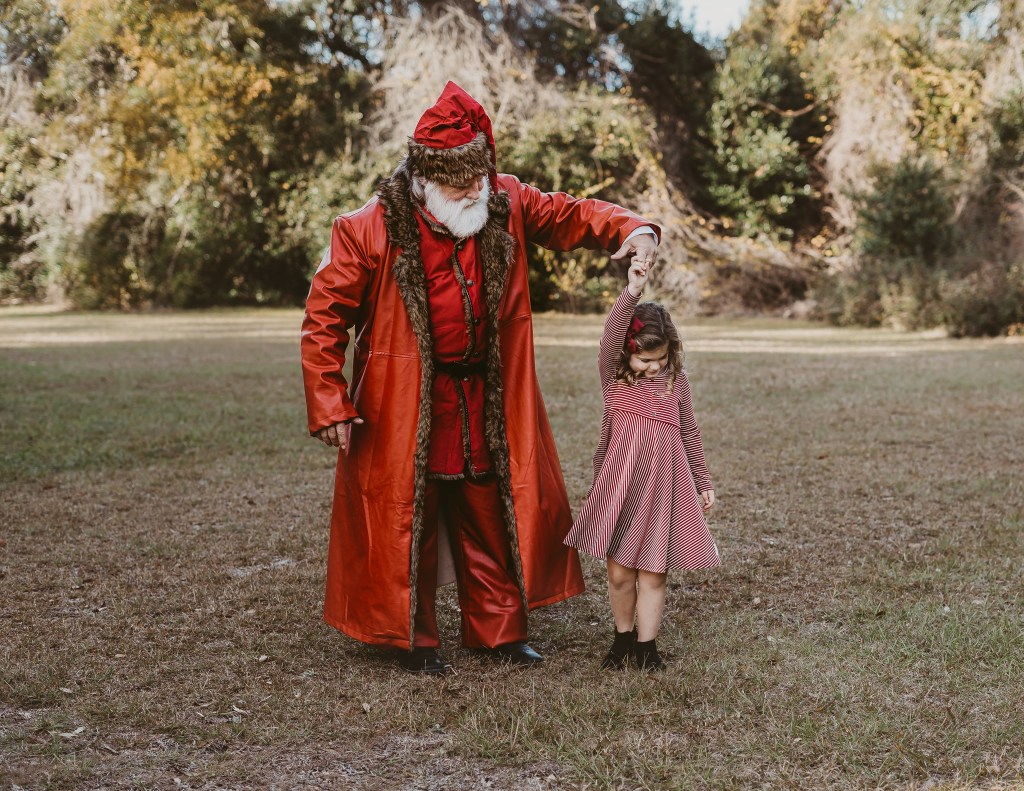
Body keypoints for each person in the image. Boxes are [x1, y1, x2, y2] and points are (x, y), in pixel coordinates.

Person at [300, 81, 662, 674]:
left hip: (486, 391)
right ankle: (411, 636)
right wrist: (329, 399)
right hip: (403, 398)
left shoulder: (504, 201)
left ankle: (497, 630)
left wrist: (633, 229)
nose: (471, 191)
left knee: (488, 505)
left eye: (478, 178)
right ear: (423, 177)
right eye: (457, 182)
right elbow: (323, 318)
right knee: (408, 510)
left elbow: (571, 213)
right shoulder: (368, 227)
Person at [564, 259, 719, 671]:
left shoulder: (676, 383)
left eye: (661, 358)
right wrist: (631, 290)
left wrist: (703, 480)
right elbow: (610, 337)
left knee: (653, 573)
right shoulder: (614, 378)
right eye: (644, 360)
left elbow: (689, 433)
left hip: (663, 485)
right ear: (628, 355)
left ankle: (647, 647)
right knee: (619, 573)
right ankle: (622, 639)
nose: (653, 367)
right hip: (621, 486)